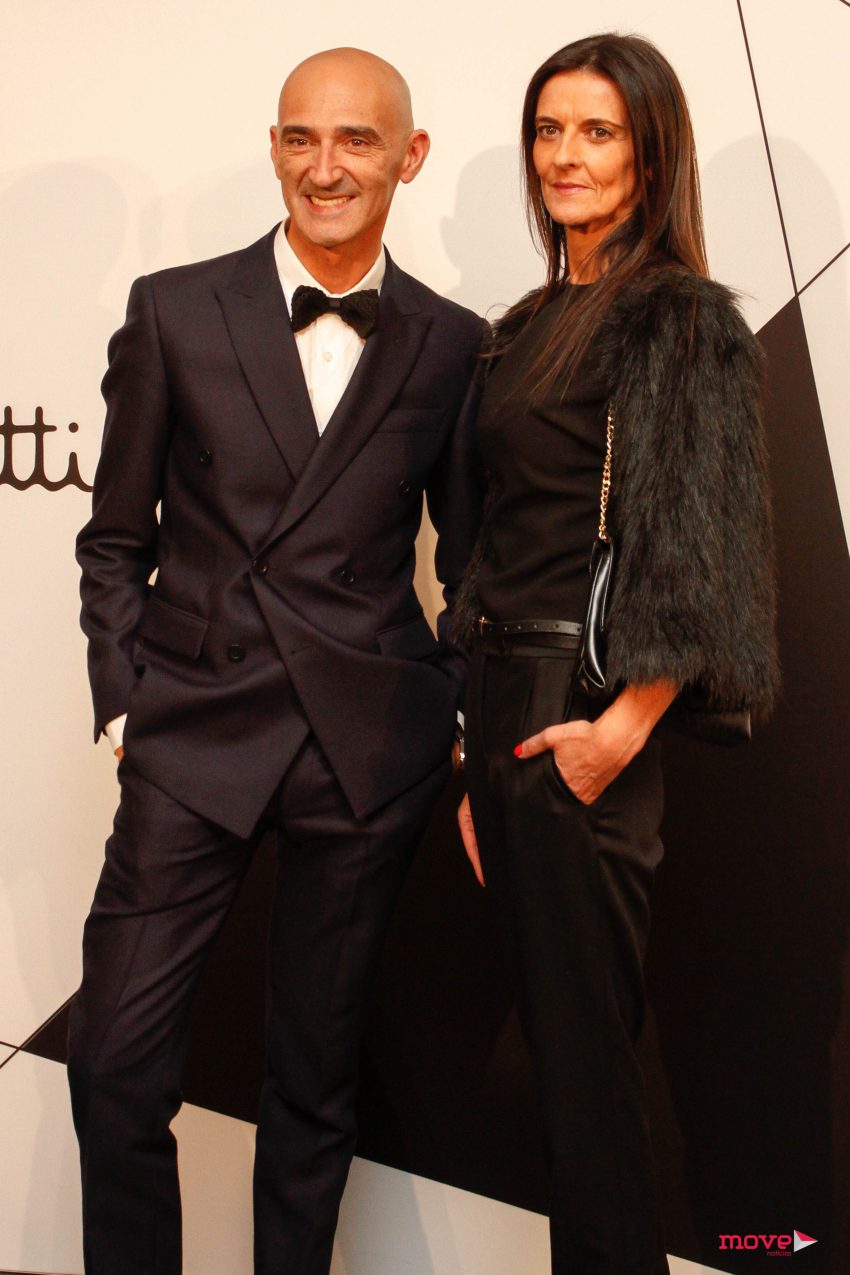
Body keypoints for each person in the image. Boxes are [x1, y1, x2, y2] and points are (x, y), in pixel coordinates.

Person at [70, 47, 483, 1275]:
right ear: (273, 148)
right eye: (301, 137)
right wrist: (126, 708)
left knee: (312, 1088)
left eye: (356, 140)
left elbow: (475, 567)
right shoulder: (174, 308)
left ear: (408, 157)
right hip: (192, 733)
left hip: (363, 754)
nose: (325, 166)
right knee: (113, 1064)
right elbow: (114, 540)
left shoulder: (455, 343)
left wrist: (445, 716)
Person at [456, 33, 778, 1275]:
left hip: (581, 714)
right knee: (558, 1082)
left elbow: (701, 557)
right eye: (549, 129)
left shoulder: (679, 321)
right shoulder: (524, 324)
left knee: (587, 1092)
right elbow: (498, 539)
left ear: (650, 155)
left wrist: (617, 734)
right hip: (504, 719)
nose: (565, 156)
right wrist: (476, 754)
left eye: (597, 131)